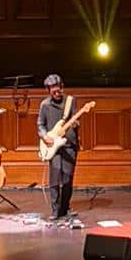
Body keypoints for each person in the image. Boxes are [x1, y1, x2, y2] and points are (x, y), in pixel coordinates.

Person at [38, 73, 82, 226]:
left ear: (62, 87)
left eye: (58, 89)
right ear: (48, 90)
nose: (57, 92)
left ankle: (65, 208)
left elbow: (76, 119)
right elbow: (40, 124)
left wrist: (75, 123)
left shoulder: (70, 101)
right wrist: (45, 136)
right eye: (53, 90)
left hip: (69, 144)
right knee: (55, 179)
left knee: (68, 178)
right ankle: (55, 210)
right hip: (53, 145)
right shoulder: (45, 105)